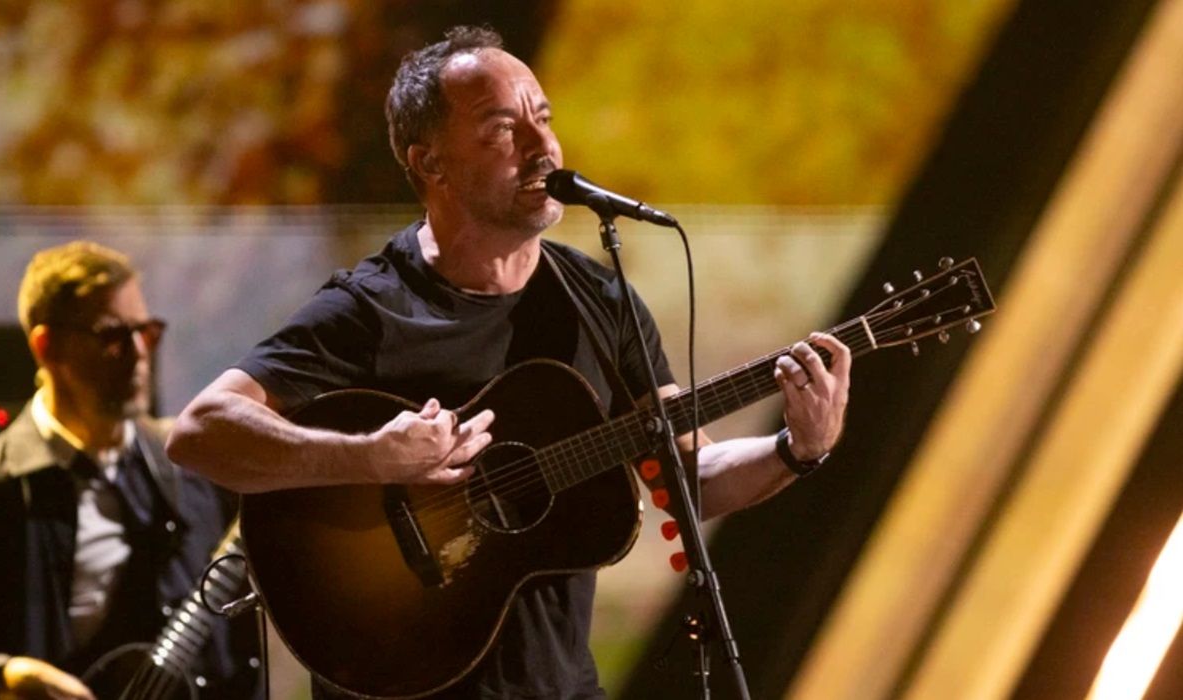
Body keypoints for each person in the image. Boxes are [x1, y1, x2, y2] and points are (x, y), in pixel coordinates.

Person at [168, 26, 850, 699]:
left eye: (543, 118)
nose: (542, 146)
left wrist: (796, 448)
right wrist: (370, 458)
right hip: (406, 682)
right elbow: (201, 431)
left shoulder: (599, 300)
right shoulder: (368, 309)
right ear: (431, 163)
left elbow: (689, 475)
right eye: (502, 127)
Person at [0, 241, 258, 699]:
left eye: (144, 331)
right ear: (48, 347)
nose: (137, 353)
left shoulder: (192, 466)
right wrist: (11, 676)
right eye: (111, 335)